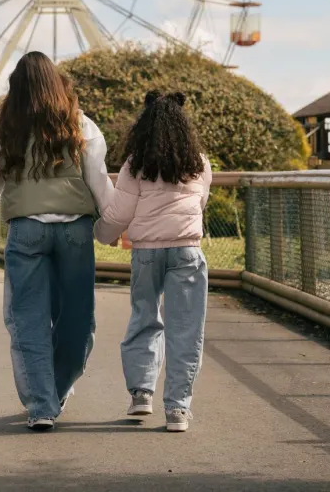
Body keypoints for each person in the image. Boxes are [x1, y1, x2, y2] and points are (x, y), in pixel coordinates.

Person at [0, 51, 115, 432]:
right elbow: (98, 179)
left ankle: (42, 404)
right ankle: (57, 388)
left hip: (27, 229)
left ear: (15, 88)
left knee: (28, 318)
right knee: (77, 318)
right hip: (75, 230)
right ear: (57, 83)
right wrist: (117, 225)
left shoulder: (5, 128)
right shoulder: (80, 123)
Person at [95, 90, 212, 433]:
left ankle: (141, 393)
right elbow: (199, 204)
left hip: (146, 251)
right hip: (187, 250)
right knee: (186, 330)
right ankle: (177, 409)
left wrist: (101, 233)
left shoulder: (136, 164)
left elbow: (120, 213)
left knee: (145, 317)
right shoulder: (199, 163)